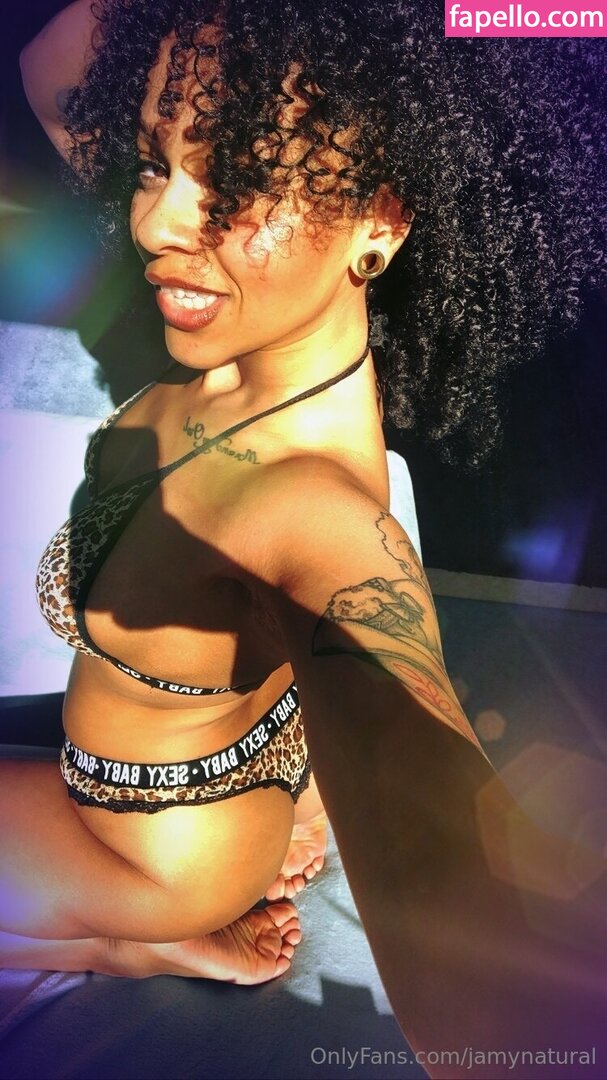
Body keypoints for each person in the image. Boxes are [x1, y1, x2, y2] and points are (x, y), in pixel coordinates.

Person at [4, 0, 606, 1074]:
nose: (155, 225)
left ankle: (142, 933)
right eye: (151, 165)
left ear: (381, 218)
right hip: (189, 820)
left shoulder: (312, 511)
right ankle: (131, 947)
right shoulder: (224, 321)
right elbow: (56, 67)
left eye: (234, 180)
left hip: (148, 857)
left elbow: (481, 975)